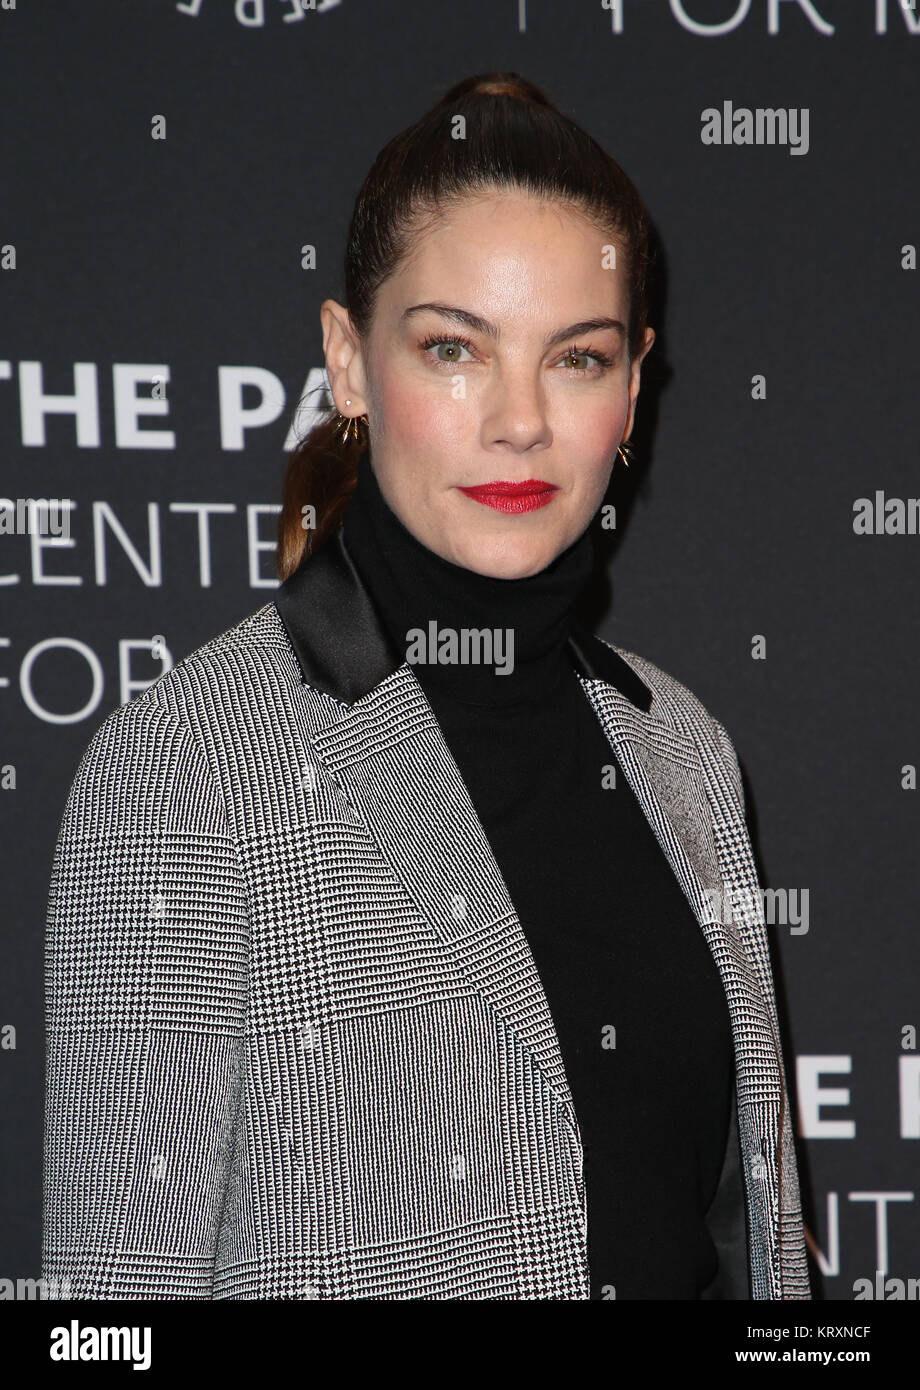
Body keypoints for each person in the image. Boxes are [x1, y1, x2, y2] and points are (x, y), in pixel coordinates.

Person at [42, 71, 810, 1300]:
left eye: (575, 357)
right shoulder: (191, 767)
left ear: (632, 388)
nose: (518, 421)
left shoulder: (683, 750)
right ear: (348, 362)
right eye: (453, 348)